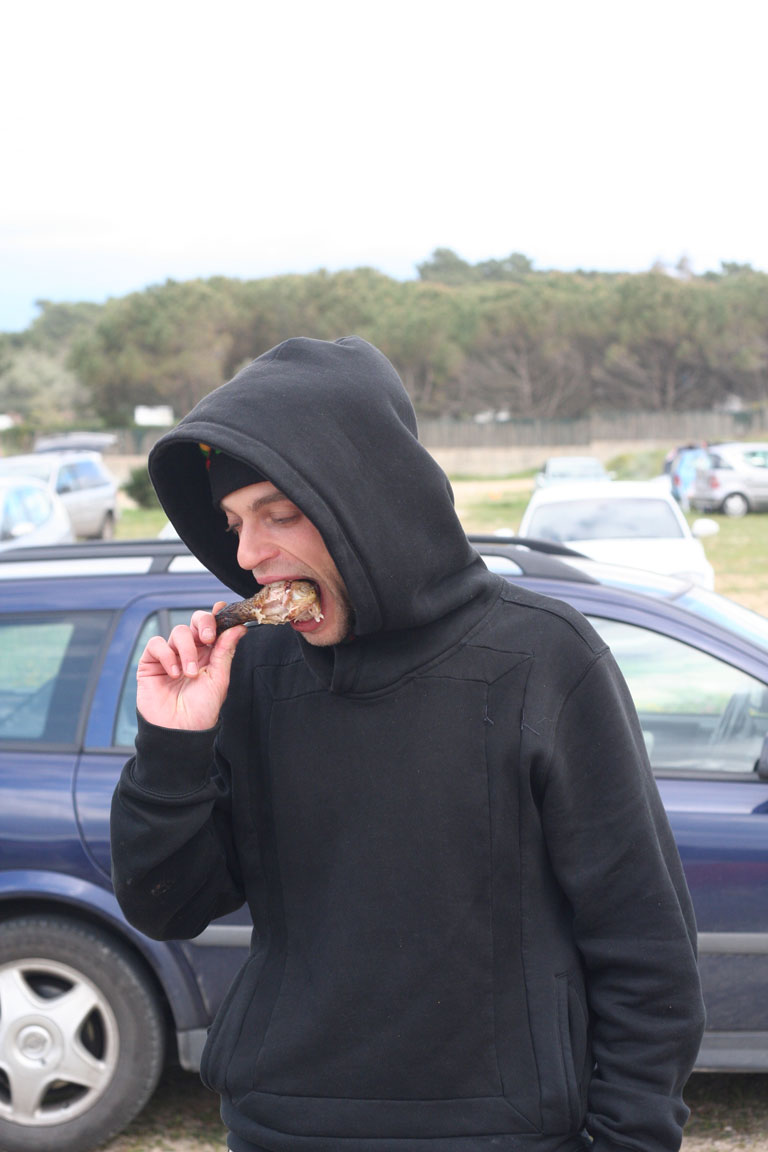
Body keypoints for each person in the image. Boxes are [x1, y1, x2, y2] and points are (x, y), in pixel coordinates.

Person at [110, 335, 705, 1152]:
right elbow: (166, 905)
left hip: (504, 1136)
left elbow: (645, 947)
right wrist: (172, 745)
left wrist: (629, 1138)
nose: (247, 556)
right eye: (233, 524)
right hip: (280, 1128)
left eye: (279, 514)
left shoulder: (541, 658)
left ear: (367, 498)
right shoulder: (254, 670)